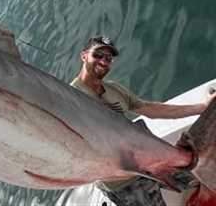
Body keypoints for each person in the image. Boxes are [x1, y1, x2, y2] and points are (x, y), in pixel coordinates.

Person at [70, 36, 216, 206]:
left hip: (154, 162)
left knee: (204, 174)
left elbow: (152, 110)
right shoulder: (71, 97)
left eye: (108, 58)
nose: (103, 61)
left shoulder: (114, 88)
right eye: (98, 55)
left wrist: (201, 107)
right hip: (123, 183)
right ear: (84, 56)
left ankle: (198, 201)